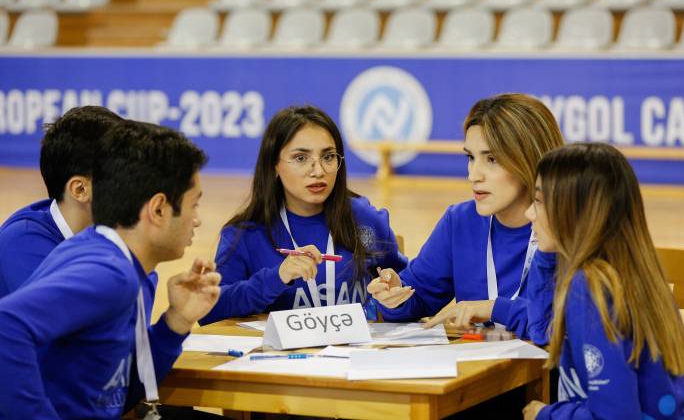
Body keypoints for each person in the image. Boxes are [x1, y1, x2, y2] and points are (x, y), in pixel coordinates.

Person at [0, 120, 221, 419]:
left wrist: (175, 322)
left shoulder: (121, 262)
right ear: (158, 209)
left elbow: (118, 395)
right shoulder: (109, 273)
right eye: (193, 205)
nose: (197, 220)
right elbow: (6, 325)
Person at [369, 93, 564, 338]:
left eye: (491, 159)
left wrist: (493, 309)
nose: (473, 175)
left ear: (530, 158)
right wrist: (394, 295)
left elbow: (562, 322)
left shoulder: (571, 226)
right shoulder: (460, 221)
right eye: (471, 157)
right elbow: (417, 298)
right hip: (481, 361)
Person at [522, 143, 684, 420]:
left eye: (538, 201)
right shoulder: (630, 272)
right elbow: (541, 330)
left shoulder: (589, 288)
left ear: (576, 213)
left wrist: (546, 415)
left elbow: (615, 416)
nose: (529, 213)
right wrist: (550, 248)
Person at [201, 105, 406, 324]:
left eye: (328, 156)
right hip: (277, 348)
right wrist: (277, 277)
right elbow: (211, 308)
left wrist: (395, 292)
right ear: (274, 165)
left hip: (358, 346)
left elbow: (407, 287)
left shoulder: (366, 218)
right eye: (301, 158)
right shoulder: (244, 235)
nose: (318, 171)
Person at [0, 106, 126, 298]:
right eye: (123, 172)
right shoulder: (23, 244)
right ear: (80, 189)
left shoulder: (112, 235)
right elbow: (78, 316)